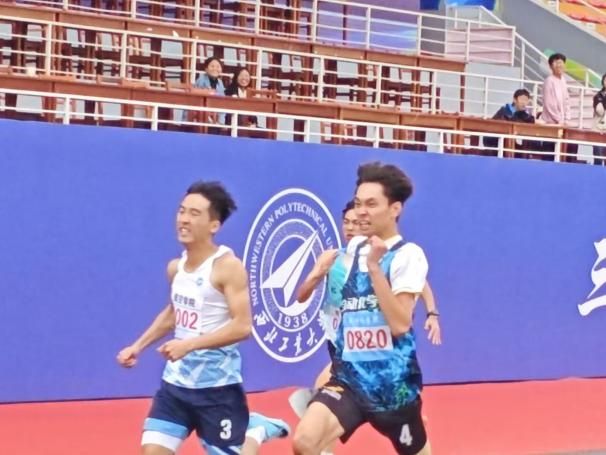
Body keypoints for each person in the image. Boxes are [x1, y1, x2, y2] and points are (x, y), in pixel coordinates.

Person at [117, 180, 287, 455]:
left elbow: (243, 326)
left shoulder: (228, 268)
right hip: (175, 388)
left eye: (194, 214)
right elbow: (173, 313)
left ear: (214, 225)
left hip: (218, 390)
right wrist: (137, 346)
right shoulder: (176, 268)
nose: (183, 219)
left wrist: (188, 345)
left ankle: (255, 430)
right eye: (181, 211)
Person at [293, 162, 433, 455]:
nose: (361, 212)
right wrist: (317, 274)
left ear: (395, 209)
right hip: (349, 381)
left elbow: (400, 325)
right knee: (305, 442)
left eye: (371, 204)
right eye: (358, 204)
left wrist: (375, 268)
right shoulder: (350, 252)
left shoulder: (407, 255)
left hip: (393, 389)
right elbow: (313, 297)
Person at [483, 89, 541, 158]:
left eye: (526, 100)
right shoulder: (505, 110)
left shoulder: (522, 114)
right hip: (494, 142)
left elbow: (531, 120)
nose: (523, 102)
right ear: (514, 99)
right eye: (521, 99)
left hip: (509, 142)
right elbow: (510, 121)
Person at [541, 53, 573, 161]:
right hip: (551, 123)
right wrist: (559, 120)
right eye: (556, 63)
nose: (559, 65)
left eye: (561, 63)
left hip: (562, 124)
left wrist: (567, 119)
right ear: (551, 66)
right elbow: (549, 104)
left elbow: (566, 101)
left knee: (563, 152)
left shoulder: (563, 80)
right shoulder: (549, 81)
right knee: (549, 154)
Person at [592, 73, 606, 166]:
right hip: (598, 130)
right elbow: (599, 111)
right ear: (603, 82)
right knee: (598, 158)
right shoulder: (598, 96)